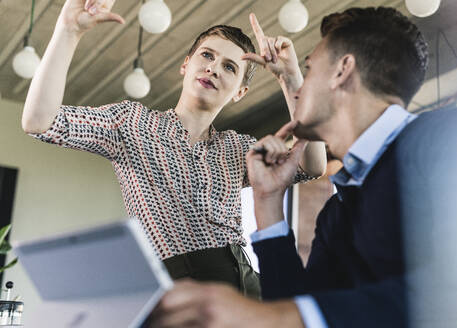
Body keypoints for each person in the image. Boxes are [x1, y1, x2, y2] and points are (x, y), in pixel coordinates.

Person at [147, 6, 457, 328]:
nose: (299, 82)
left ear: (342, 71)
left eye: (310, 68)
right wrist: (269, 204)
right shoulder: (337, 213)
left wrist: (273, 316)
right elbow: (298, 306)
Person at [21, 0, 327, 299]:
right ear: (185, 64)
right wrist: (68, 30)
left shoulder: (238, 148)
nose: (213, 68)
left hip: (245, 290)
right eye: (207, 55)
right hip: (178, 292)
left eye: (230, 67)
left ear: (240, 92)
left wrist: (290, 79)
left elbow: (312, 165)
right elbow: (40, 121)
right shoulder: (132, 123)